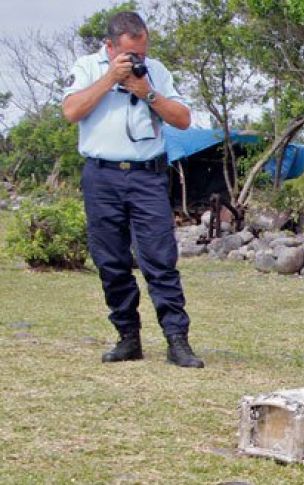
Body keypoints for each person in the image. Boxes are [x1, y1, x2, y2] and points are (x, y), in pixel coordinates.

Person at [63, 11, 203, 368]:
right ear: (109, 47)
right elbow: (71, 111)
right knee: (110, 260)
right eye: (129, 54)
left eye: (141, 52)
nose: (137, 60)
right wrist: (111, 78)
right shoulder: (87, 68)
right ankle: (128, 338)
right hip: (102, 175)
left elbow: (183, 119)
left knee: (160, 258)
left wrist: (147, 92)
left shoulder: (156, 71)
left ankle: (177, 340)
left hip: (147, 176)